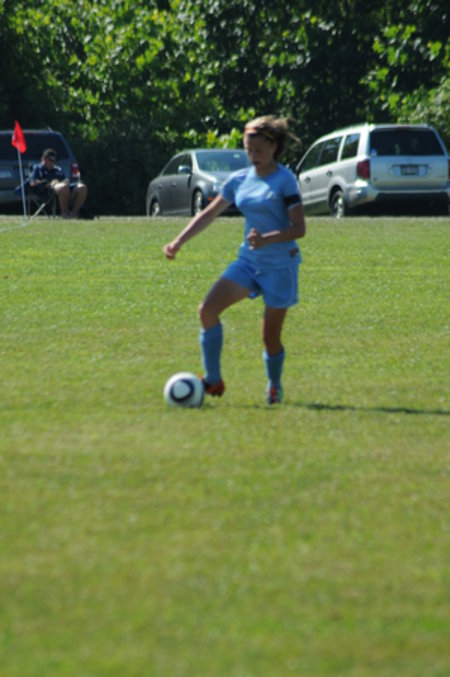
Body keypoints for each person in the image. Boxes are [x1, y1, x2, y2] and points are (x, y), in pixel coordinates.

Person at [163, 115, 306, 404]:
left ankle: (274, 386)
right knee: (207, 310)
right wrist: (178, 241)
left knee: (270, 338)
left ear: (275, 147)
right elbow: (209, 214)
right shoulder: (239, 180)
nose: (253, 156)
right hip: (249, 262)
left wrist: (267, 239)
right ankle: (213, 380)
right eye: (248, 150)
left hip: (280, 266)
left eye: (260, 150)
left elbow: (299, 229)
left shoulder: (285, 180)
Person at [29, 148, 88, 218]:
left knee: (82, 187)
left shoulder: (57, 169)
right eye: (50, 160)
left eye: (54, 161)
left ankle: (74, 213)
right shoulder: (37, 169)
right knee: (64, 187)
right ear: (44, 159)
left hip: (63, 189)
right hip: (47, 191)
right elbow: (32, 183)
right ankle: (64, 213)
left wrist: (63, 182)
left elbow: (65, 180)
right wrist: (49, 183)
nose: (52, 163)